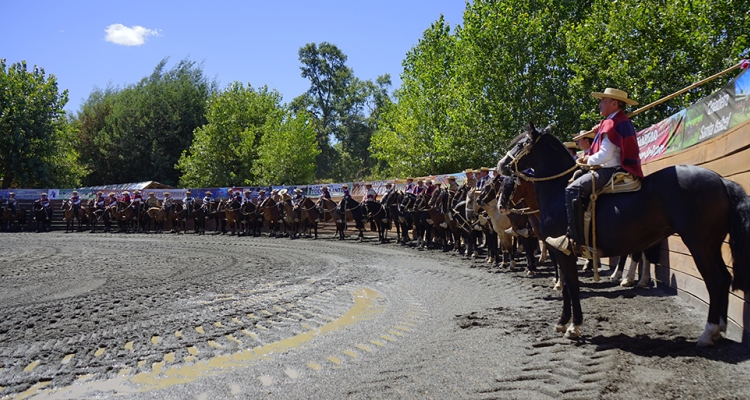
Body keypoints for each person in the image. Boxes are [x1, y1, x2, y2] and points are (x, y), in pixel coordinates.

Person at [546, 88, 643, 255]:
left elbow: (606, 155)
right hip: (611, 166)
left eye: (603, 100)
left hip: (610, 169)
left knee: (572, 189)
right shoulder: (614, 121)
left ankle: (575, 241)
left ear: (614, 103)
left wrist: (586, 160)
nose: (600, 104)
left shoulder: (612, 124)